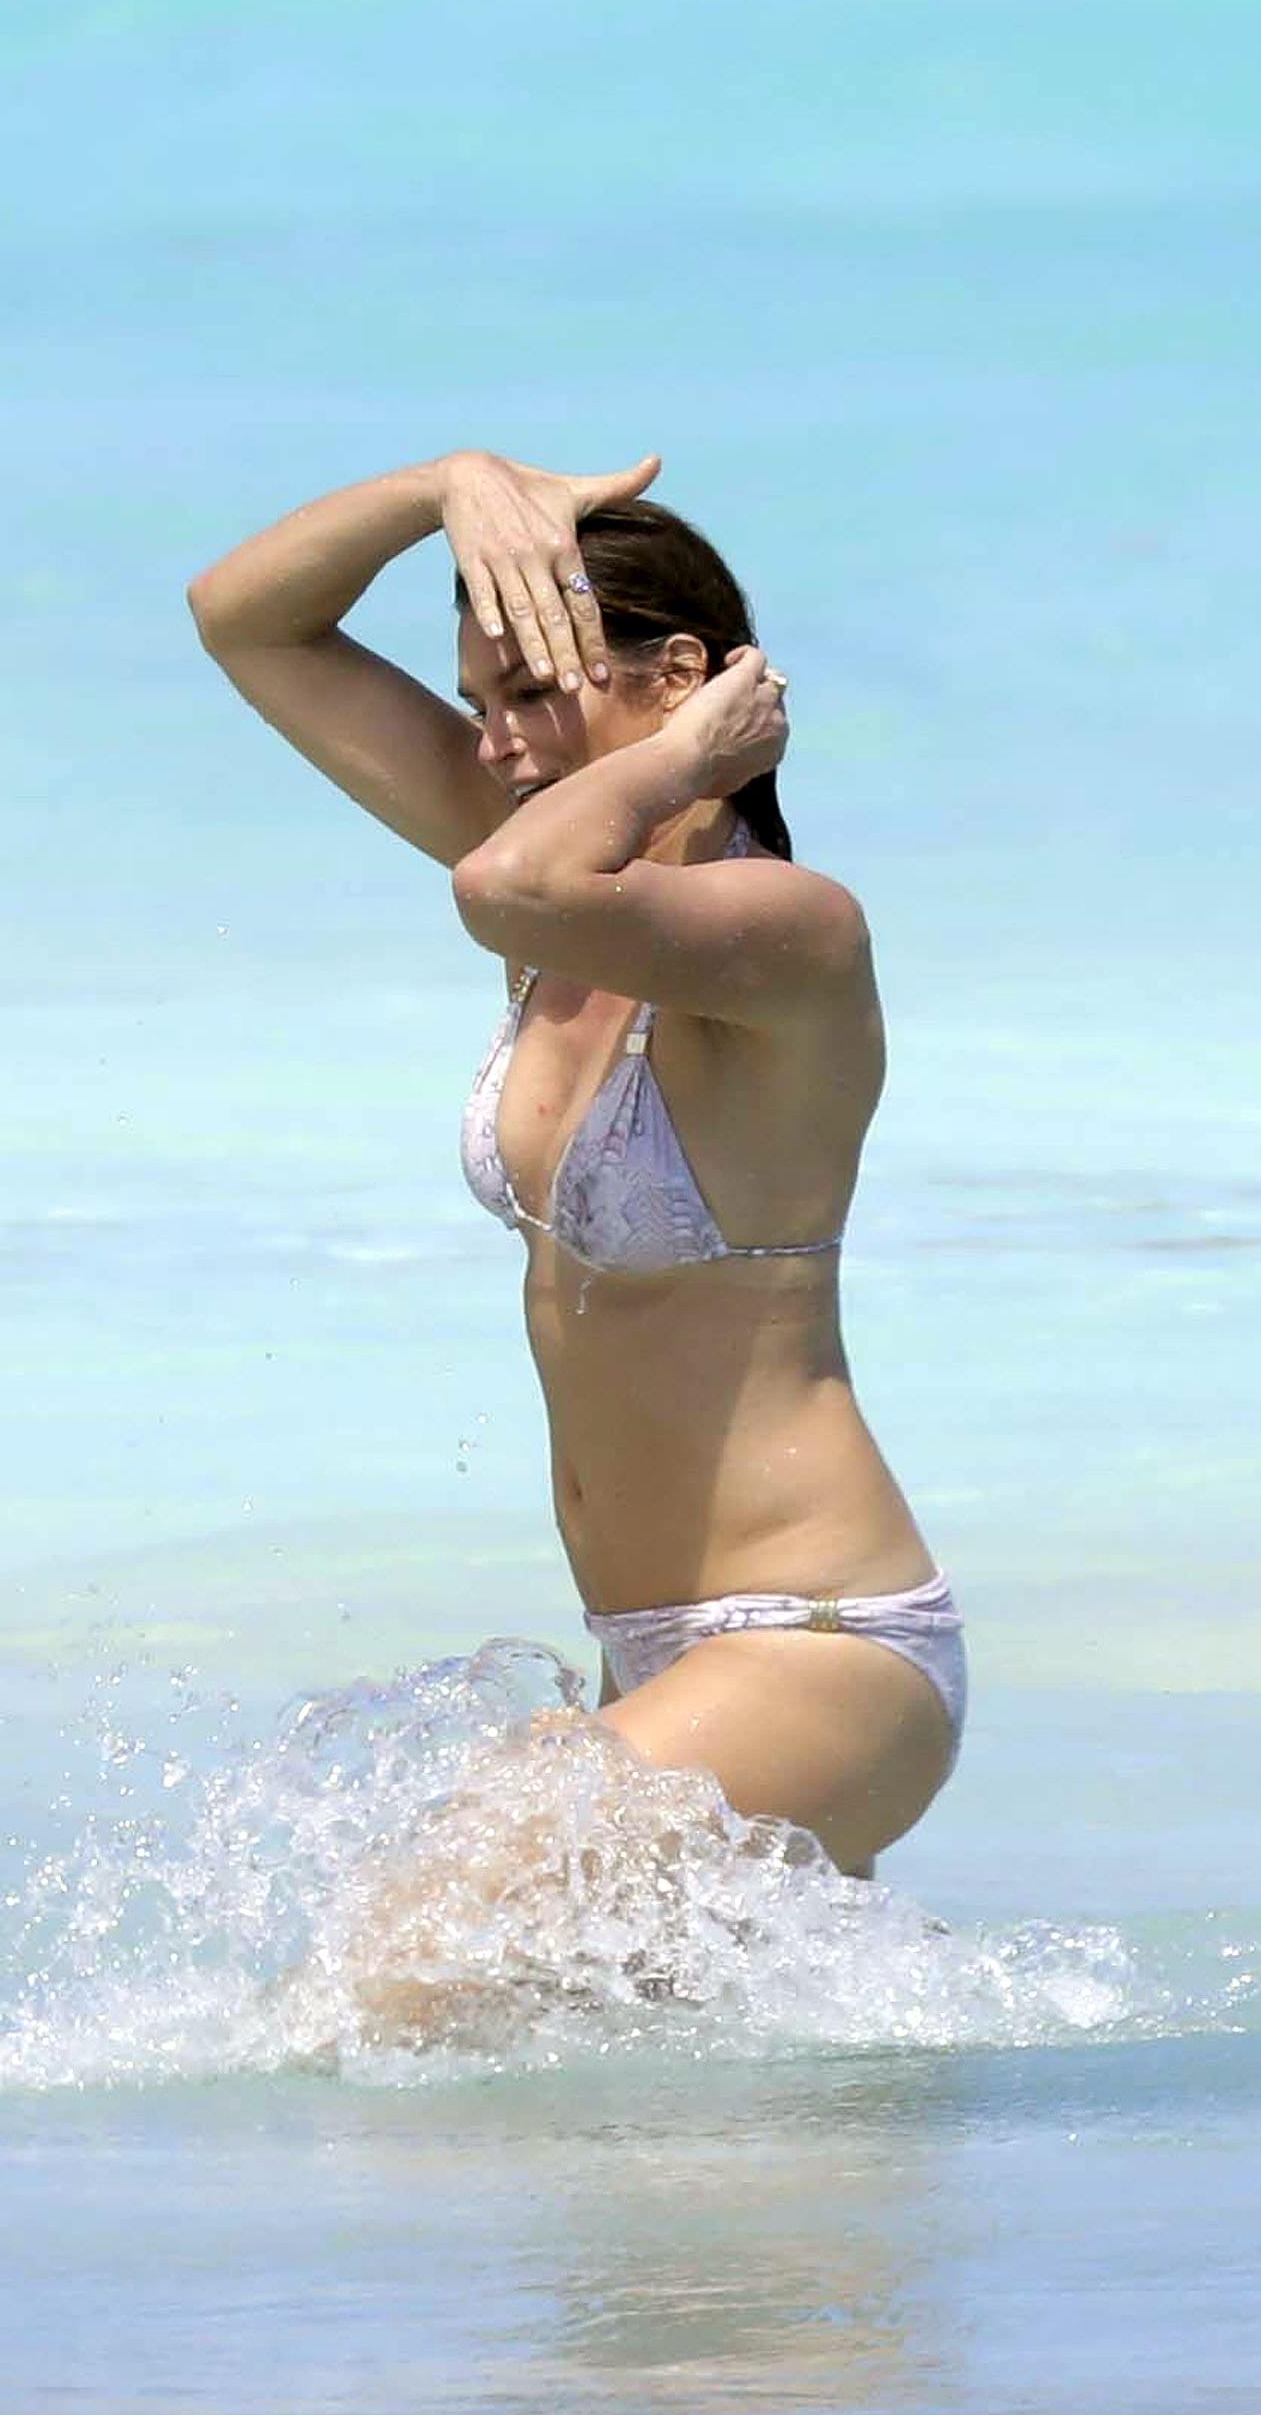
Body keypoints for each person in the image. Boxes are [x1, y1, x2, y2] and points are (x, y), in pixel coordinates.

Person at [186, 450, 962, 1982]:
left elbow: (503, 888)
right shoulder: (559, 868)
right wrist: (446, 487)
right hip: (657, 1655)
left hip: (817, 1644)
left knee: (394, 1979)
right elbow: (246, 622)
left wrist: (682, 762)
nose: (499, 742)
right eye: (480, 701)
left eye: (530, 691)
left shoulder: (787, 933)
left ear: (682, 678)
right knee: (694, 2181)